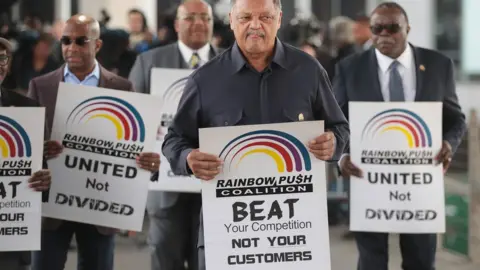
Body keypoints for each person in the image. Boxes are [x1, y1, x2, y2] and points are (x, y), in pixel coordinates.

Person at [161, 1, 350, 270]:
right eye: (246, 17)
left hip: (294, 238)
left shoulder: (308, 71)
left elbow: (340, 128)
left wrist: (333, 143)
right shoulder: (205, 79)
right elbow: (174, 139)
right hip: (228, 236)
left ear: (279, 18)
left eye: (265, 17)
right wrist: (188, 158)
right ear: (231, 19)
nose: (255, 25)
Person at [333, 3, 466, 270]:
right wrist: (342, 156)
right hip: (367, 182)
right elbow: (336, 121)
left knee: (420, 261)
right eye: (376, 28)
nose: (384, 35)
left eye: (392, 28)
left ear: (408, 29)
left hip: (420, 186)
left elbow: (456, 119)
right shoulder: (350, 67)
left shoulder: (439, 65)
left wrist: (449, 144)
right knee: (371, 262)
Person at [27, 15, 160, 270]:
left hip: (101, 208)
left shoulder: (123, 88)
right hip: (51, 205)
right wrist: (39, 153)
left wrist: (148, 164)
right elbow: (27, 152)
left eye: (80, 41)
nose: (71, 48)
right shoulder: (40, 86)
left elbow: (137, 149)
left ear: (97, 45)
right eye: (65, 41)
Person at [129, 1, 218, 269]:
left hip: (215, 187)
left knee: (211, 263)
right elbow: (132, 121)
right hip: (165, 188)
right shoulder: (148, 62)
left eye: (205, 17)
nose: (199, 23)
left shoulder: (232, 62)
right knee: (166, 262)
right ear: (177, 24)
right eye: (190, 18)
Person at [0, 37, 53, 270]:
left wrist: (45, 181)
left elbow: (40, 171)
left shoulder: (27, 110)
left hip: (11, 241)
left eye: (3, 58)